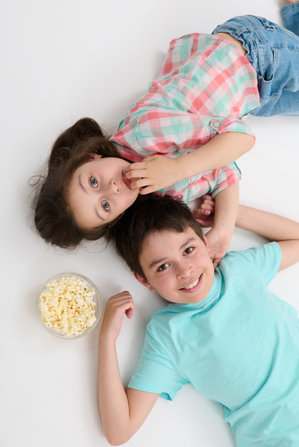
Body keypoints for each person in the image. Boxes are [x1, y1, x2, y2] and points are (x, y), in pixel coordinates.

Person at [34, 1, 299, 264]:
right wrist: (222, 230)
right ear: (117, 218)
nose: (112, 189)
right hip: (252, 93)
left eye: (93, 182)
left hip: (253, 51)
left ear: (91, 158)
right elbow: (223, 171)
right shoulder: (161, 189)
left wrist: (177, 168)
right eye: (105, 206)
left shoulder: (143, 134)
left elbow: (241, 138)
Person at [98, 194, 299, 447]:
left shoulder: (239, 268)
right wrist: (106, 339)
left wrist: (229, 215)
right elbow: (119, 431)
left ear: (205, 242)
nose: (184, 271)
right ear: (144, 280)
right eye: (162, 267)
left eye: (189, 250)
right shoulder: (168, 336)